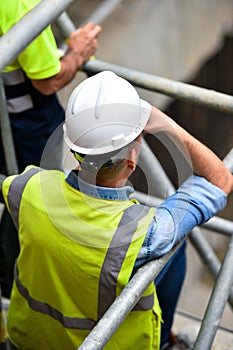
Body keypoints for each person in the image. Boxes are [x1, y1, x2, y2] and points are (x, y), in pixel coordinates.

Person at [0, 71, 232, 350]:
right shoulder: (145, 232)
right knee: (175, 251)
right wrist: (161, 122)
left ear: (73, 147)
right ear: (133, 160)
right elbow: (220, 180)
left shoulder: (26, 187)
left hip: (26, 340)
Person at [0, 0, 102, 297]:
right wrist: (76, 53)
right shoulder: (19, 3)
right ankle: (10, 282)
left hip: (8, 113)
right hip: (26, 120)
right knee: (31, 196)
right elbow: (48, 80)